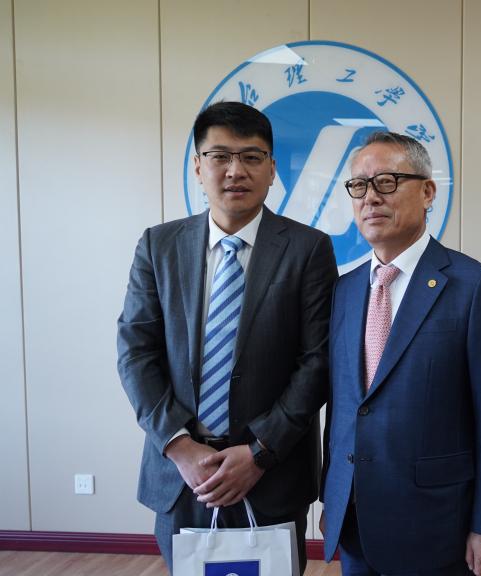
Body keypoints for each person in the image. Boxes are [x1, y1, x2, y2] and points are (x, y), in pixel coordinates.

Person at [117, 101, 337, 572]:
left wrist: (259, 453)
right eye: (220, 156)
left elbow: (317, 360)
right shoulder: (159, 246)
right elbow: (136, 352)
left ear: (272, 169)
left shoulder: (308, 249)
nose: (236, 170)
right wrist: (180, 447)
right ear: (198, 167)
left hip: (272, 472)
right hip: (181, 475)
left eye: (252, 157)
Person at [320, 132, 481, 576]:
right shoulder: (345, 290)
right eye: (359, 186)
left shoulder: (475, 288)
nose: (370, 197)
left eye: (387, 182)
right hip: (354, 520)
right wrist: (331, 495)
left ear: (428, 192)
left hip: (436, 525)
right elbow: (345, 406)